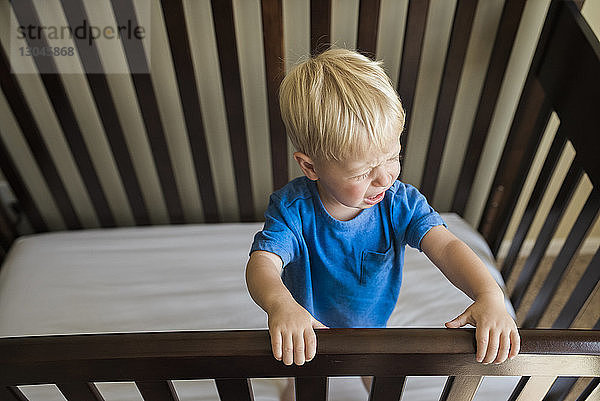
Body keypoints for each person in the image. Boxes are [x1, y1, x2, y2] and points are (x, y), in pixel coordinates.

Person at [245, 47, 520, 397]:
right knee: (301, 377)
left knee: (378, 380)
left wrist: (489, 294)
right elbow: (263, 264)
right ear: (310, 167)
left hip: (374, 325)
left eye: (393, 157)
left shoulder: (399, 203)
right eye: (362, 172)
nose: (384, 178)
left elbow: (447, 246)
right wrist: (281, 305)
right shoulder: (293, 209)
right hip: (307, 324)